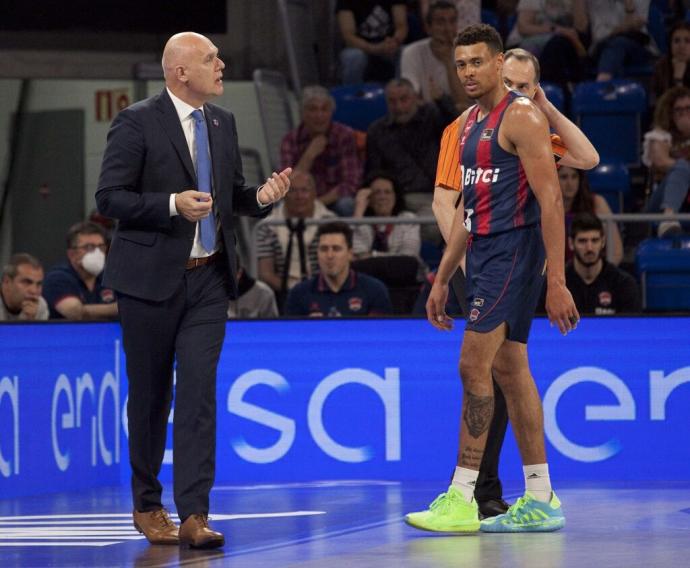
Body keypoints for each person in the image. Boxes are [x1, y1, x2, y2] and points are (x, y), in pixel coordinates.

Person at [95, 32, 291, 549]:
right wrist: (169, 204)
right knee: (152, 397)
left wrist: (262, 198)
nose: (221, 64)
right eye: (210, 59)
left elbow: (229, 196)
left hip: (208, 278)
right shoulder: (136, 120)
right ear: (180, 72)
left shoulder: (222, 123)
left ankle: (195, 514)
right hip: (149, 283)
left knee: (200, 391)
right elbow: (110, 197)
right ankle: (146, 504)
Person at [405, 24, 578, 534]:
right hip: (483, 254)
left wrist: (557, 280)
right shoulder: (470, 125)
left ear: (500, 63)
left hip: (514, 254)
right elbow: (465, 212)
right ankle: (542, 496)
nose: (468, 73)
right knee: (509, 369)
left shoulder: (521, 117)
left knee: (471, 364)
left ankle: (462, 497)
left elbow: (551, 198)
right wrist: (440, 279)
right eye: (460, 65)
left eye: (478, 62)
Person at [366, 77, 455, 232]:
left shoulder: (431, 117)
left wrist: (442, 101)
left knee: (434, 228)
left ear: (416, 98)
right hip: (397, 199)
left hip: (433, 195)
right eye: (392, 101)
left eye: (404, 99)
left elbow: (460, 129)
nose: (399, 107)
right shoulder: (377, 131)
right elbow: (375, 171)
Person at [279, 86, 362, 216]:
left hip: (332, 199)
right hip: (300, 199)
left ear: (331, 112)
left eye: (324, 109)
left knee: (346, 204)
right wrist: (309, 156)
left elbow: (351, 183)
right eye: (313, 109)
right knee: (278, 205)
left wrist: (317, 203)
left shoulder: (344, 135)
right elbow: (285, 185)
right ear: (303, 113)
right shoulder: (290, 140)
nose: (319, 115)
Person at [257, 170, 336, 304]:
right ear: (284, 194)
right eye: (293, 191)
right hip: (282, 294)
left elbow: (336, 268)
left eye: (304, 190)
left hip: (325, 293)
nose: (299, 196)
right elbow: (266, 274)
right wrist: (296, 292)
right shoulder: (267, 226)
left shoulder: (330, 222)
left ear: (314, 193)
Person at [285, 221, 392, 316]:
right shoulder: (299, 294)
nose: (329, 255)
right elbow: (290, 336)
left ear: (350, 253)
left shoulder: (374, 290)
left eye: (336, 249)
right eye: (323, 249)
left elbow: (378, 335)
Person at [401, 1, 472, 111]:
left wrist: (448, 62)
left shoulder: (469, 53)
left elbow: (463, 102)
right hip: (427, 117)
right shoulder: (411, 52)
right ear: (428, 28)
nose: (447, 28)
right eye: (440, 22)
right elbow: (411, 99)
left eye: (452, 21)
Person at [564, 213, 640, 314]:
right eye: (582, 241)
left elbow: (631, 327)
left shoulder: (624, 284)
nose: (589, 248)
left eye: (595, 240)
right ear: (571, 243)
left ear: (603, 242)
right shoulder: (557, 285)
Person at [42, 222, 117, 321]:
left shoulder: (109, 276)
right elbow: (75, 312)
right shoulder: (57, 277)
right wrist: (117, 308)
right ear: (72, 254)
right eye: (89, 247)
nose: (97, 253)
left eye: (101, 247)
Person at [505, 0, 587, 90]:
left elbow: (581, 28)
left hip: (559, 48)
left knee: (560, 46)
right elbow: (524, 28)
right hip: (525, 42)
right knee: (556, 45)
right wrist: (558, 30)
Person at [643, 85, 690, 237]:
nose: (684, 113)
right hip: (660, 206)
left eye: (688, 108)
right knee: (681, 167)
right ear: (669, 113)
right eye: (679, 110)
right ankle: (669, 216)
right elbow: (661, 161)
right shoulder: (660, 136)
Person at [577, 0, 657, 82]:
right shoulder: (596, 3)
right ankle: (605, 84)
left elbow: (637, 25)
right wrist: (622, 28)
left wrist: (629, 8)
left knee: (618, 43)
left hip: (637, 47)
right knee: (615, 45)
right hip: (603, 47)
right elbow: (596, 34)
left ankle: (602, 84)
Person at [559, 165, 624, 265]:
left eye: (574, 176)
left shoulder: (597, 203)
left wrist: (601, 276)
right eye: (564, 177)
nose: (570, 183)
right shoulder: (541, 207)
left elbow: (616, 252)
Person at [352, 170, 421, 259]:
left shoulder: (408, 219)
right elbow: (356, 254)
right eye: (377, 192)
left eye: (387, 192)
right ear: (369, 198)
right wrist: (358, 211)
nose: (382, 197)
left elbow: (409, 257)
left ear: (396, 196)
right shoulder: (362, 221)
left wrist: (372, 255)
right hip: (368, 271)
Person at [336, 0, 408, 84]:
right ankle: (354, 94)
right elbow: (348, 36)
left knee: (406, 52)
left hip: (388, 45)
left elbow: (402, 26)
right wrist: (374, 48)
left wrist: (395, 41)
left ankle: (400, 92)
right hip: (359, 47)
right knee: (353, 57)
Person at [0, 253, 49, 321]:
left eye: (38, 284)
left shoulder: (40, 306)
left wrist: (30, 321)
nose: (34, 291)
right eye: (26, 282)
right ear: (7, 282)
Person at [651, 22, 690, 102]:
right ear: (670, 45)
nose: (682, 46)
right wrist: (677, 79)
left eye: (687, 41)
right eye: (676, 41)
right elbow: (660, 105)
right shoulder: (661, 66)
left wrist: (678, 81)